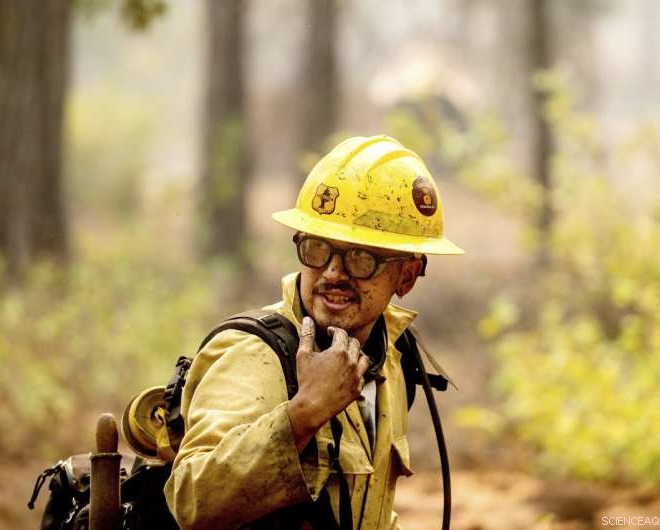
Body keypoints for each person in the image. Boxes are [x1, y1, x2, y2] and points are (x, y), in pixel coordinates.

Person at [164, 135, 463, 529]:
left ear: (406, 276)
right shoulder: (253, 354)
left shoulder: (390, 356)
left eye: (361, 257)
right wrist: (304, 413)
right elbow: (193, 501)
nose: (333, 273)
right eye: (317, 249)